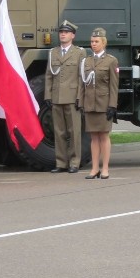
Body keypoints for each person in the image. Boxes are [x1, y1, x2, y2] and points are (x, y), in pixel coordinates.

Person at [44, 20, 86, 174]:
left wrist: (79, 97)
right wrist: (48, 95)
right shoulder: (53, 52)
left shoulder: (79, 52)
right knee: (59, 131)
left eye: (66, 32)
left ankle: (74, 162)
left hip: (72, 96)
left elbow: (82, 76)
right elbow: (49, 75)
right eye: (61, 32)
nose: (63, 34)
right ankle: (61, 162)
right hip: (56, 97)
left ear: (72, 35)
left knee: (74, 132)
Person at [78, 27, 119, 179]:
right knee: (93, 137)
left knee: (104, 136)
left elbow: (114, 86)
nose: (93, 44)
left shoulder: (111, 61)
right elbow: (82, 84)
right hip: (90, 103)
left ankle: (105, 168)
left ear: (103, 43)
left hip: (104, 104)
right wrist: (80, 103)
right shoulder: (86, 61)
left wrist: (112, 106)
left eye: (96, 41)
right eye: (92, 42)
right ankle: (94, 168)